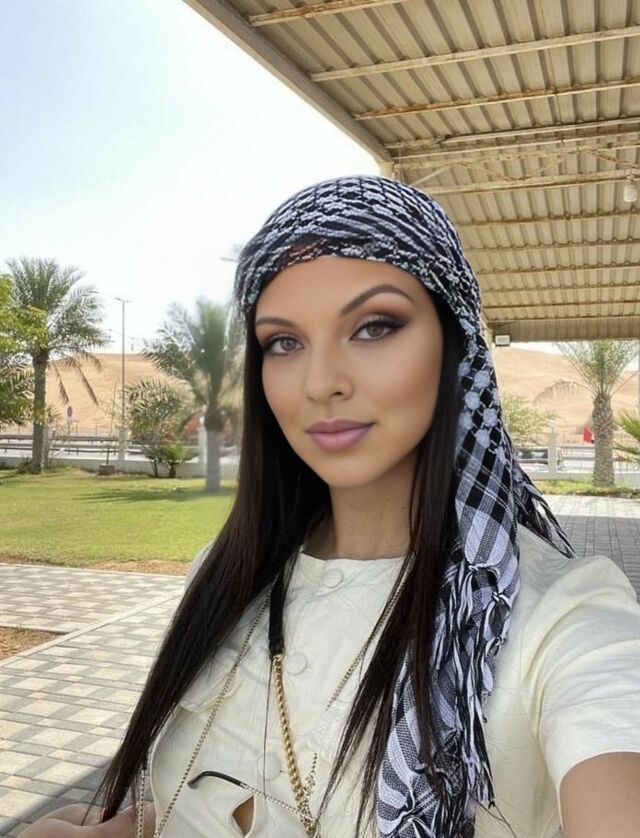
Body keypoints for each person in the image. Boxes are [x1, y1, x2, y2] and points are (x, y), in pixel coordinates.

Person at [21, 176, 640, 838]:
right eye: (283, 343)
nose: (320, 383)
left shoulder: (563, 617)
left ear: (454, 343)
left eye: (374, 327)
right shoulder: (223, 577)